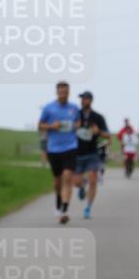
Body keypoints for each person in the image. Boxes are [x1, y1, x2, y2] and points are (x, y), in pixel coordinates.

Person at [38, 81, 79, 224]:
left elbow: (78, 123)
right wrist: (51, 126)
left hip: (70, 146)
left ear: (69, 92)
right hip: (54, 148)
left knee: (67, 176)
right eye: (61, 92)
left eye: (66, 92)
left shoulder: (74, 108)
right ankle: (58, 204)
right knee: (57, 181)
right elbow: (40, 125)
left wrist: (77, 125)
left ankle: (65, 210)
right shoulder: (49, 108)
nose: (64, 94)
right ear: (57, 92)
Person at [73, 91, 110, 219]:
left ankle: (88, 208)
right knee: (76, 182)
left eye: (85, 99)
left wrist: (98, 131)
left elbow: (107, 135)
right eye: (82, 99)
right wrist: (73, 127)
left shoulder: (98, 117)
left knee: (93, 180)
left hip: (92, 154)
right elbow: (65, 130)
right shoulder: (75, 115)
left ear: (90, 100)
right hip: (77, 153)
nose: (83, 101)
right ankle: (82, 186)